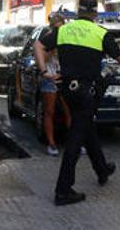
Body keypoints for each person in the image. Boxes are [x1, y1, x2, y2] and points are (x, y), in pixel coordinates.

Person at [35, 0, 120, 206]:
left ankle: (102, 168)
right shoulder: (100, 33)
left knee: (86, 127)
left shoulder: (64, 30)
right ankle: (63, 190)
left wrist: (44, 71)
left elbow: (38, 45)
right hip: (88, 92)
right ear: (95, 13)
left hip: (68, 89)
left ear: (78, 11)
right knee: (76, 139)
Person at [34, 13, 71, 157]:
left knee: (69, 111)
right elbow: (39, 57)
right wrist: (51, 51)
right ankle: (51, 143)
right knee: (49, 111)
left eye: (60, 25)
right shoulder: (47, 39)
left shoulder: (67, 37)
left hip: (64, 77)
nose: (58, 28)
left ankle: (73, 142)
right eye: (55, 26)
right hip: (50, 77)